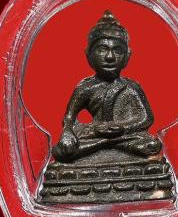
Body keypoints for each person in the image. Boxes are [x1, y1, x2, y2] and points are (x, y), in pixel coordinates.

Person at [52, 10, 162, 162]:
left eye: (117, 51)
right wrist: (69, 132)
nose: (110, 57)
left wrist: (122, 128)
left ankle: (107, 145)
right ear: (88, 55)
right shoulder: (85, 88)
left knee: (152, 144)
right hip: (96, 136)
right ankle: (107, 145)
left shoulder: (131, 87)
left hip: (123, 136)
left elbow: (146, 118)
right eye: (102, 50)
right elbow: (69, 118)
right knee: (63, 150)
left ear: (127, 56)